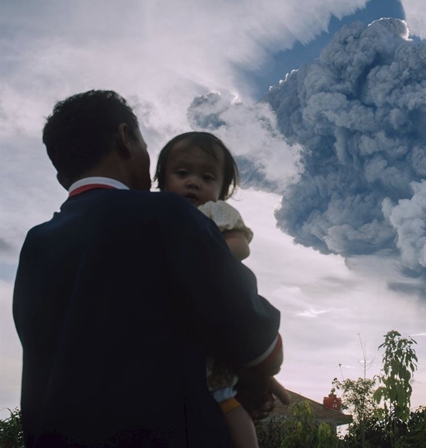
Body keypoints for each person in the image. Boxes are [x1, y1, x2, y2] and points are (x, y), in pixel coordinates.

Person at [13, 90, 286, 447]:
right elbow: (254, 337)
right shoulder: (167, 216)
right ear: (125, 139)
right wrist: (255, 377)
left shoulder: (36, 244)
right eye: (144, 142)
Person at [154, 131, 269, 448]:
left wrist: (202, 260)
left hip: (211, 325)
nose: (193, 182)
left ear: (222, 190)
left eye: (207, 177)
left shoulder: (216, 214)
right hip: (170, 333)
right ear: (161, 180)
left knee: (226, 399)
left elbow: (240, 246)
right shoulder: (155, 211)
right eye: (182, 173)